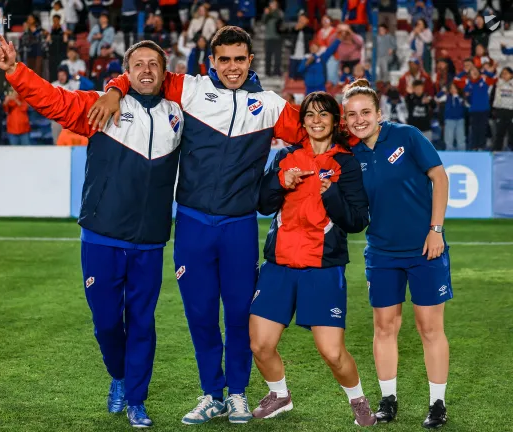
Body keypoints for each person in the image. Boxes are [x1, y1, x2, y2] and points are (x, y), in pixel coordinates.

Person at [87, 25, 306, 426]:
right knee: (201, 315)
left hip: (239, 227)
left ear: (250, 60)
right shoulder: (189, 89)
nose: (232, 67)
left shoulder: (271, 105)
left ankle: (237, 394)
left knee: (238, 315)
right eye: (224, 60)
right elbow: (144, 75)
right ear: (212, 63)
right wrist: (115, 90)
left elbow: (315, 130)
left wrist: (282, 175)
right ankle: (211, 394)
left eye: (239, 59)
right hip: (192, 225)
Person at [0, 34, 183, 428]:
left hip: (149, 241)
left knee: (142, 323)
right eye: (138, 64)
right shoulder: (101, 106)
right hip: (101, 235)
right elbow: (53, 100)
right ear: (126, 73)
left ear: (166, 73)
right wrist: (14, 70)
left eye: (154, 64)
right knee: (107, 323)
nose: (146, 70)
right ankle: (119, 375)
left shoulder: (180, 114)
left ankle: (136, 400)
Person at [249, 91, 375, 426]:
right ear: (302, 121)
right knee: (260, 345)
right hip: (279, 264)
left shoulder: (346, 163)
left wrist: (331, 194)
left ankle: (358, 400)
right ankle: (279, 395)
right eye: (310, 115)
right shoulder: (286, 155)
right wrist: (281, 181)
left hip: (323, 268)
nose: (316, 121)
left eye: (323, 114)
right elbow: (263, 204)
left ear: (335, 121)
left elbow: (357, 220)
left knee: (332, 352)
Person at [342, 79, 451, 429]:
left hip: (425, 249)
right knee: (384, 326)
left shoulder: (407, 136)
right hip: (381, 253)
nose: (359, 120)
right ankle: (388, 399)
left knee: (430, 327)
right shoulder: (350, 153)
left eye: (365, 112)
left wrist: (436, 230)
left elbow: (440, 177)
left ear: (379, 113)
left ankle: (437, 403)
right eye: (352, 115)